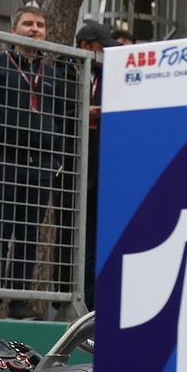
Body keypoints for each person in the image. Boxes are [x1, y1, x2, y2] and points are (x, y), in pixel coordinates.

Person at [0, 5, 74, 318]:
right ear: (13, 30)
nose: (35, 30)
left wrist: (57, 159)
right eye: (28, 24)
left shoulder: (53, 75)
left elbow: (65, 122)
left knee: (30, 234)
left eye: (40, 25)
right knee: (0, 231)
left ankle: (19, 302)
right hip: (5, 162)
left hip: (41, 166)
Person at [75, 20, 111, 271]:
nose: (105, 53)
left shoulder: (106, 75)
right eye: (101, 47)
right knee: (75, 231)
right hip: (73, 165)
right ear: (85, 46)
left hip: (101, 163)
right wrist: (81, 113)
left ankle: (90, 296)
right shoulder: (68, 72)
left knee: (96, 233)